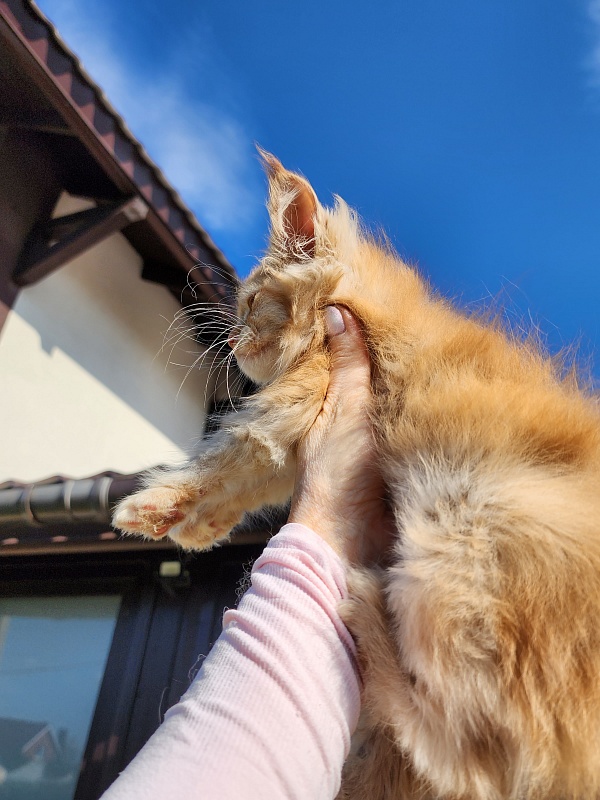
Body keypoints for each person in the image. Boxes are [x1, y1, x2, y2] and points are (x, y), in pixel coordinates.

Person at [101, 306, 391, 800]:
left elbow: (283, 423)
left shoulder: (325, 346)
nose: (236, 337)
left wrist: (204, 484)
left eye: (253, 310)